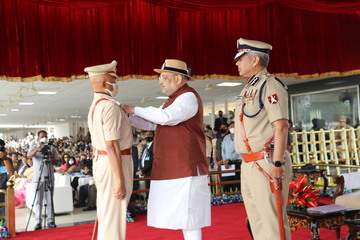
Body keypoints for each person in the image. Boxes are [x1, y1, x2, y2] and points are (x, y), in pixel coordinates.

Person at [121, 59, 211, 240]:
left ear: (178, 79)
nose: (160, 81)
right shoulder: (173, 100)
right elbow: (151, 123)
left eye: (163, 77)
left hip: (186, 167)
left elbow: (166, 117)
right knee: (183, 218)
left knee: (190, 219)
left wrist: (134, 108)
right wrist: (128, 116)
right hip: (174, 167)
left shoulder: (188, 97)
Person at [233, 38, 291, 240]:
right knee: (256, 221)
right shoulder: (248, 89)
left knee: (271, 221)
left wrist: (278, 162)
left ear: (255, 59)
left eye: (240, 59)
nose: (237, 63)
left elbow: (281, 125)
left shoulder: (270, 85)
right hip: (249, 163)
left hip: (266, 161)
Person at [85, 60, 133, 240]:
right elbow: (112, 145)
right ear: (105, 83)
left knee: (107, 213)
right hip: (115, 162)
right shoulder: (109, 106)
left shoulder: (96, 105)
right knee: (115, 217)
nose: (116, 83)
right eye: (114, 79)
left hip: (103, 161)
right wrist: (119, 180)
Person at [27, 130, 60, 230]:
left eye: (45, 136)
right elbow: (28, 156)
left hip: (49, 177)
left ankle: (50, 220)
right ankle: (38, 221)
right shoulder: (33, 147)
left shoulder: (51, 147)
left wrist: (50, 156)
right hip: (38, 178)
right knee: (38, 201)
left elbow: (56, 162)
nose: (44, 138)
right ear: (38, 137)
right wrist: (37, 150)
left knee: (49, 200)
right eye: (42, 136)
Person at [221, 121, 242, 192]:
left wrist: (230, 160)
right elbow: (223, 150)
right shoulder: (226, 138)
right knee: (227, 183)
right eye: (231, 127)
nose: (233, 128)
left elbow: (239, 150)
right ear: (228, 128)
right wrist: (224, 160)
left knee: (237, 183)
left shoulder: (240, 137)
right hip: (226, 164)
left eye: (234, 127)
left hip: (237, 162)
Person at [0, 139, 15, 216]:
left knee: (3, 217)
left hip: (4, 191)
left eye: (2, 148)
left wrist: (5, 158)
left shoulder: (7, 160)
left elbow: (11, 173)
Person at [138, 131, 154, 195]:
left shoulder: (154, 146)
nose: (148, 136)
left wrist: (143, 170)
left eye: (150, 134)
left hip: (150, 172)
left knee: (151, 191)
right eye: (147, 134)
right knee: (147, 190)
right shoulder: (145, 146)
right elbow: (143, 158)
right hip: (145, 173)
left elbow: (151, 160)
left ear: (153, 135)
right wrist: (141, 169)